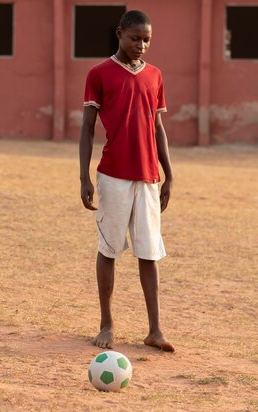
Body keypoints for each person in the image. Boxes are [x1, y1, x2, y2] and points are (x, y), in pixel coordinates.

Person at [79, 10, 175, 352]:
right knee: (109, 249)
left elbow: (157, 127)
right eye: (135, 38)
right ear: (119, 34)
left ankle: (155, 330)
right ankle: (106, 323)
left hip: (148, 176)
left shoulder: (155, 76)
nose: (141, 45)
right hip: (113, 175)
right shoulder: (99, 74)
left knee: (149, 253)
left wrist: (168, 174)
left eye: (147, 40)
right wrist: (84, 176)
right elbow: (88, 128)